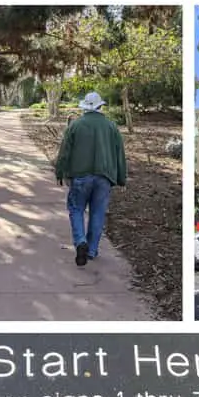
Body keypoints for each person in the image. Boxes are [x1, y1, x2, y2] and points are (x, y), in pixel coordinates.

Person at [55, 91, 127, 267]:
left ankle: (80, 242)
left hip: (80, 176)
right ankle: (92, 250)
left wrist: (60, 171)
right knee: (97, 213)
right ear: (100, 107)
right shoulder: (111, 127)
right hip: (104, 178)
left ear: (85, 107)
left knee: (76, 209)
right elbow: (120, 154)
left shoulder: (75, 125)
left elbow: (65, 151)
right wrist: (121, 177)